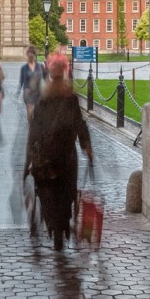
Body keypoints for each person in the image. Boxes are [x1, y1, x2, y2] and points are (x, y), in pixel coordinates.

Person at [25, 52, 93, 250]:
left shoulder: (43, 100)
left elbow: (34, 132)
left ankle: (54, 225)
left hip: (45, 157)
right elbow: (80, 125)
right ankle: (62, 225)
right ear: (64, 74)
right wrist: (87, 146)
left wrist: (28, 160)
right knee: (67, 193)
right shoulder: (70, 98)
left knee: (46, 193)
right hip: (66, 156)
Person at [19, 46, 45, 127]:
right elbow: (21, 81)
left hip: (38, 92)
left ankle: (37, 126)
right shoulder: (24, 68)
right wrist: (19, 91)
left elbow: (45, 78)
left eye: (32, 54)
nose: (30, 55)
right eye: (29, 54)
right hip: (28, 92)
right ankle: (31, 126)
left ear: (34, 55)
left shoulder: (40, 66)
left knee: (38, 111)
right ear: (27, 55)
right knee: (30, 111)